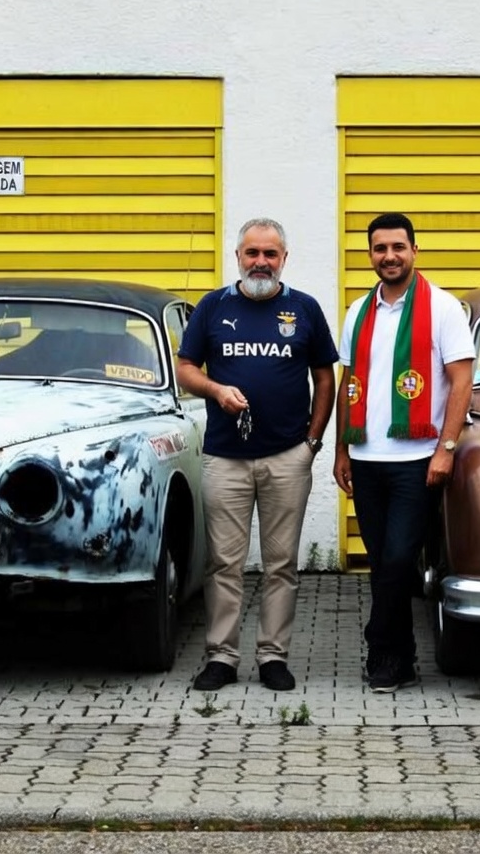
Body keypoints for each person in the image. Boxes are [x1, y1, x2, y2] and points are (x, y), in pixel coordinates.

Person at [178, 218, 338, 691]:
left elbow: (325, 377)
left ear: (284, 259)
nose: (261, 262)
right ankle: (221, 658)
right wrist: (215, 388)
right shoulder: (212, 306)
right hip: (224, 457)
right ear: (238, 257)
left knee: (281, 563)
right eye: (252, 253)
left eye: (270, 254)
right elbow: (186, 368)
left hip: (287, 456)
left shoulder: (304, 309)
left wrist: (312, 442)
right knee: (224, 563)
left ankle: (273, 657)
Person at [333, 212, 475, 693]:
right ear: (370, 255)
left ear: (415, 250)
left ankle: (382, 650)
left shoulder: (442, 309)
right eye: (379, 249)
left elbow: (461, 382)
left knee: (397, 561)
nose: (389, 256)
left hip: (417, 461)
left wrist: (447, 448)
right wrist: (342, 451)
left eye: (398, 247)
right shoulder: (357, 312)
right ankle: (403, 659)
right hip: (368, 460)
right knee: (382, 563)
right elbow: (348, 383)